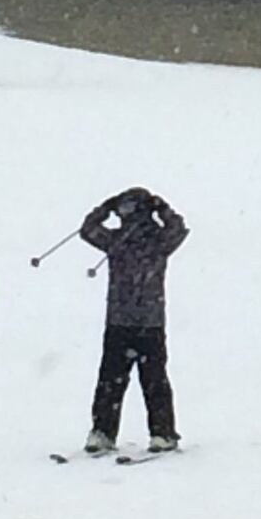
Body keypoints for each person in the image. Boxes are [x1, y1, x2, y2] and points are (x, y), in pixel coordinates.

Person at [81, 187, 189, 454]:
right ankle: (151, 433)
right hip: (132, 322)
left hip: (139, 323)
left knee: (134, 380)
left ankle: (118, 433)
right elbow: (177, 227)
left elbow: (89, 229)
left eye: (127, 208)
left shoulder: (151, 241)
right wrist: (161, 208)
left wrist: (104, 207)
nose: (123, 213)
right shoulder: (136, 240)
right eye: (121, 208)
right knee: (126, 380)